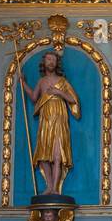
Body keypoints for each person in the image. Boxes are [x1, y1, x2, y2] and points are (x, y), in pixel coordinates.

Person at [21, 51, 80, 195]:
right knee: (42, 155)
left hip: (59, 119)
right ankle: (49, 185)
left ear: (57, 63)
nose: (51, 62)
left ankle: (54, 188)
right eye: (48, 59)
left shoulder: (62, 81)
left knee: (57, 156)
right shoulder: (41, 82)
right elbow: (34, 98)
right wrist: (22, 83)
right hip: (46, 120)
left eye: (53, 59)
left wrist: (58, 92)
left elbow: (73, 100)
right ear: (44, 63)